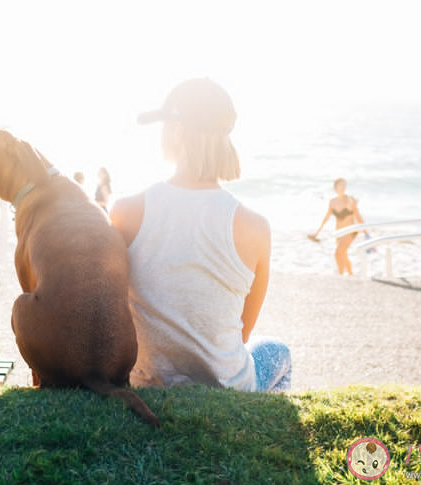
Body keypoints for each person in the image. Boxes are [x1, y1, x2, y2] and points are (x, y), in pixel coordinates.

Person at [110, 78, 291, 392]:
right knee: (278, 351)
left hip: (147, 383)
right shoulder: (255, 226)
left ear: (178, 130)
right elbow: (242, 334)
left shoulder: (126, 211)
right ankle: (262, 427)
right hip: (228, 387)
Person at [309, 178, 365, 276]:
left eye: (344, 185)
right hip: (339, 231)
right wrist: (317, 233)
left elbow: (358, 216)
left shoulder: (351, 200)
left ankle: (341, 276)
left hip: (350, 231)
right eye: (341, 185)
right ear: (335, 187)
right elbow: (326, 218)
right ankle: (351, 275)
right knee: (343, 254)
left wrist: (366, 233)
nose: (343, 187)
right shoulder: (332, 201)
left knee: (338, 253)